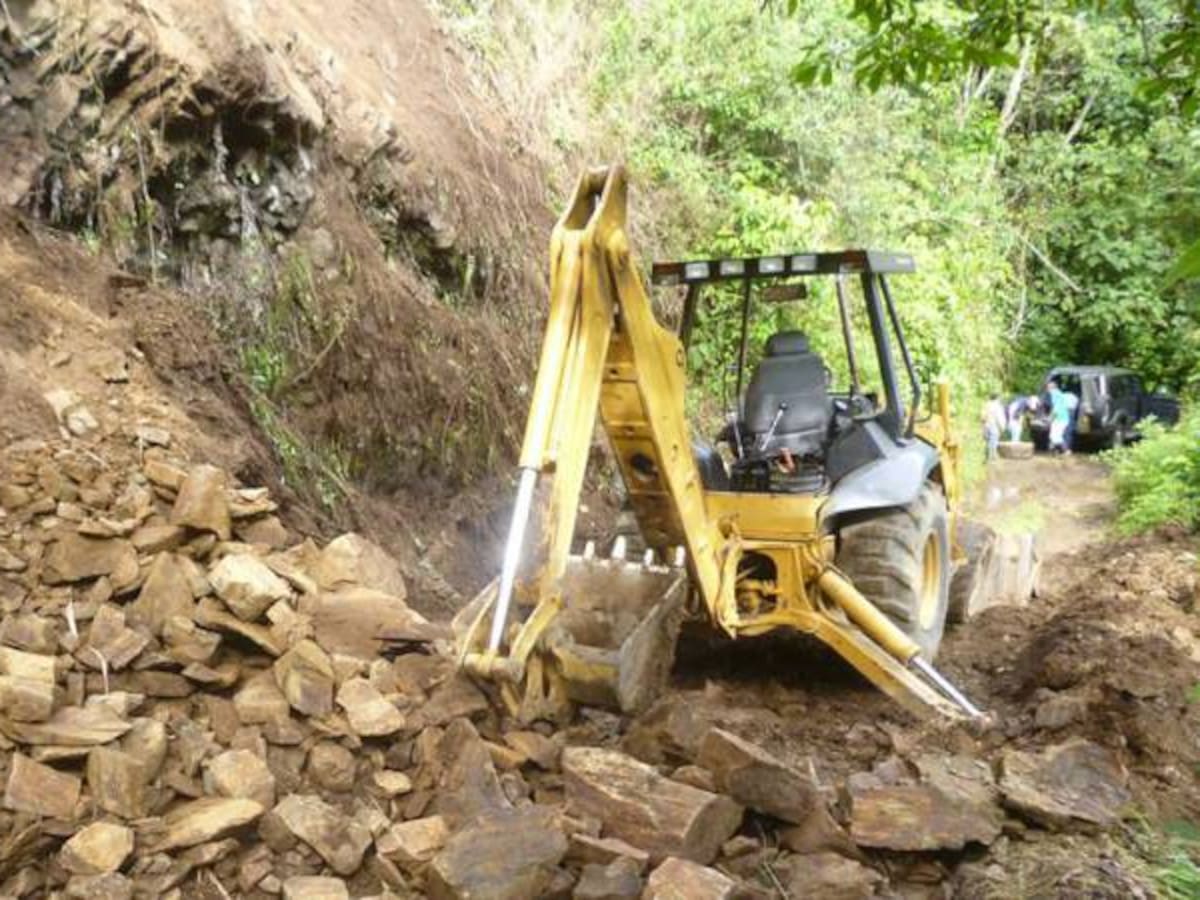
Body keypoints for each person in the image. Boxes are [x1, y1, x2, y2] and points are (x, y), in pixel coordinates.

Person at [1046, 380, 1071, 454]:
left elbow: (1056, 408)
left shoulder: (1055, 394)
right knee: (1052, 435)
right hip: (1060, 418)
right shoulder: (1058, 394)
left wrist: (1050, 418)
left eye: (1048, 387)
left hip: (1061, 419)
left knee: (1056, 436)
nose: (1047, 389)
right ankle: (1054, 450)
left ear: (1052, 387)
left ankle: (1066, 450)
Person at [981, 393, 1006, 461]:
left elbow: (982, 417)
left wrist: (982, 426)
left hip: (986, 425)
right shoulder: (997, 406)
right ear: (997, 398)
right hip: (994, 425)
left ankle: (987, 456)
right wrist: (1002, 427)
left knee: (988, 441)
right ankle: (992, 457)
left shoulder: (986, 405)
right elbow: (999, 418)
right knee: (993, 441)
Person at [1063, 388, 1080, 453]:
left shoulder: (1062, 396)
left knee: (1062, 430)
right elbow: (1077, 407)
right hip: (1071, 412)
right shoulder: (1075, 397)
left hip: (1063, 411)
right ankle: (1068, 448)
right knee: (1069, 431)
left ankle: (1062, 448)